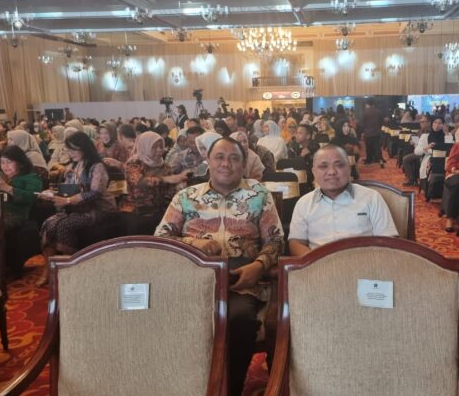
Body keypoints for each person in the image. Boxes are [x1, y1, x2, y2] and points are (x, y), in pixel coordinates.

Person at [154, 137, 283, 396]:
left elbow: (276, 240)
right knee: (174, 318)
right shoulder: (186, 196)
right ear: (208, 161)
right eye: (220, 157)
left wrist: (259, 266)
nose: (226, 164)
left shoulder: (258, 194)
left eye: (234, 158)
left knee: (240, 319)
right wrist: (194, 243)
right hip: (193, 278)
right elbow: (161, 237)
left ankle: (231, 389)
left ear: (244, 164)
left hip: (241, 278)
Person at [37, 132, 117, 286]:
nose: (70, 153)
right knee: (48, 224)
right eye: (69, 149)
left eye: (74, 149)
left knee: (64, 225)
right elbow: (69, 189)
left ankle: (73, 269)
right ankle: (48, 270)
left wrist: (67, 200)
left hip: (98, 209)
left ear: (84, 148)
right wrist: (52, 194)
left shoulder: (97, 166)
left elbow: (95, 193)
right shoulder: (72, 166)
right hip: (76, 208)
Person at [288, 144, 397, 255]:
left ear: (349, 169)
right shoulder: (304, 203)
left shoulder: (371, 198)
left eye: (339, 165)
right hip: (319, 264)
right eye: (323, 166)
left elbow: (388, 240)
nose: (331, 172)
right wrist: (316, 263)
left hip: (364, 262)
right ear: (314, 172)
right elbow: (296, 243)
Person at [120, 132, 188, 233]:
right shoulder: (135, 163)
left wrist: (179, 186)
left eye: (161, 147)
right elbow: (138, 182)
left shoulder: (164, 166)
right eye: (154, 147)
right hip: (136, 211)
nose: (159, 150)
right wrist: (164, 179)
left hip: (158, 211)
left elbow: (169, 190)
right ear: (145, 147)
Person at [359, 99, 385, 167]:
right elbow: (382, 122)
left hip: (368, 133)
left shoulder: (365, 112)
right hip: (377, 133)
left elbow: (361, 123)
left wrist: (362, 131)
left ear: (367, 104)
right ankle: (380, 160)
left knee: (368, 148)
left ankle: (369, 160)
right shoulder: (378, 111)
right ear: (373, 104)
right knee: (377, 148)